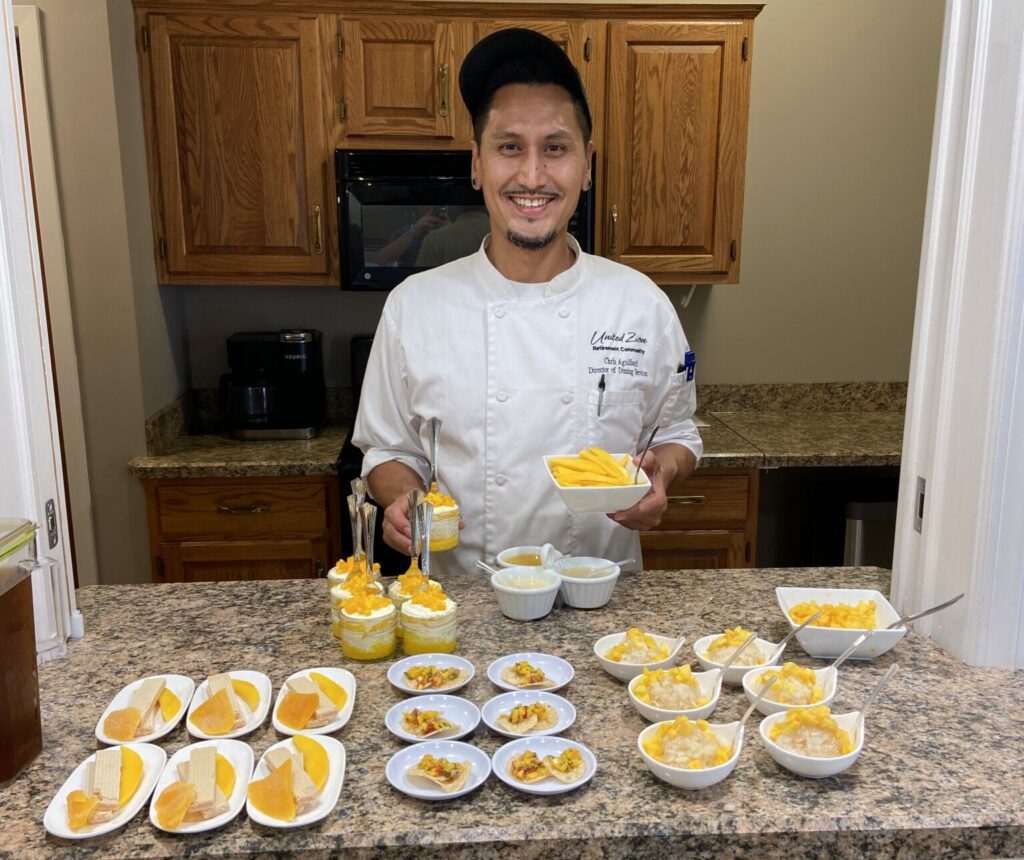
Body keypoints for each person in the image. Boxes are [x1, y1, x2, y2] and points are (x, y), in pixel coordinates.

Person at [352, 28, 702, 575]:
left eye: (555, 149)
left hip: (601, 609)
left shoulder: (641, 306)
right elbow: (387, 451)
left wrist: (663, 478)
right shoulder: (413, 308)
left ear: (586, 166)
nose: (532, 175)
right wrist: (403, 499)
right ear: (476, 163)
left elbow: (678, 434)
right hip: (459, 611)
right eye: (509, 146)